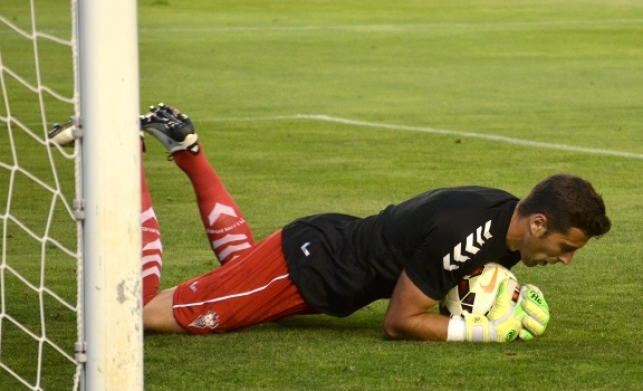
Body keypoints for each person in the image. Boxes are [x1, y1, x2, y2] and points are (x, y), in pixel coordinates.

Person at [50, 104, 612, 343]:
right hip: (309, 271)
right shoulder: (467, 237)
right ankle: (121, 149)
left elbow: (452, 279)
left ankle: (189, 151)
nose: (564, 260)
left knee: (238, 264)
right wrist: (487, 330)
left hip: (320, 245)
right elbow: (399, 321)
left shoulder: (501, 213)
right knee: (137, 315)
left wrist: (499, 296)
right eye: (565, 246)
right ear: (538, 223)